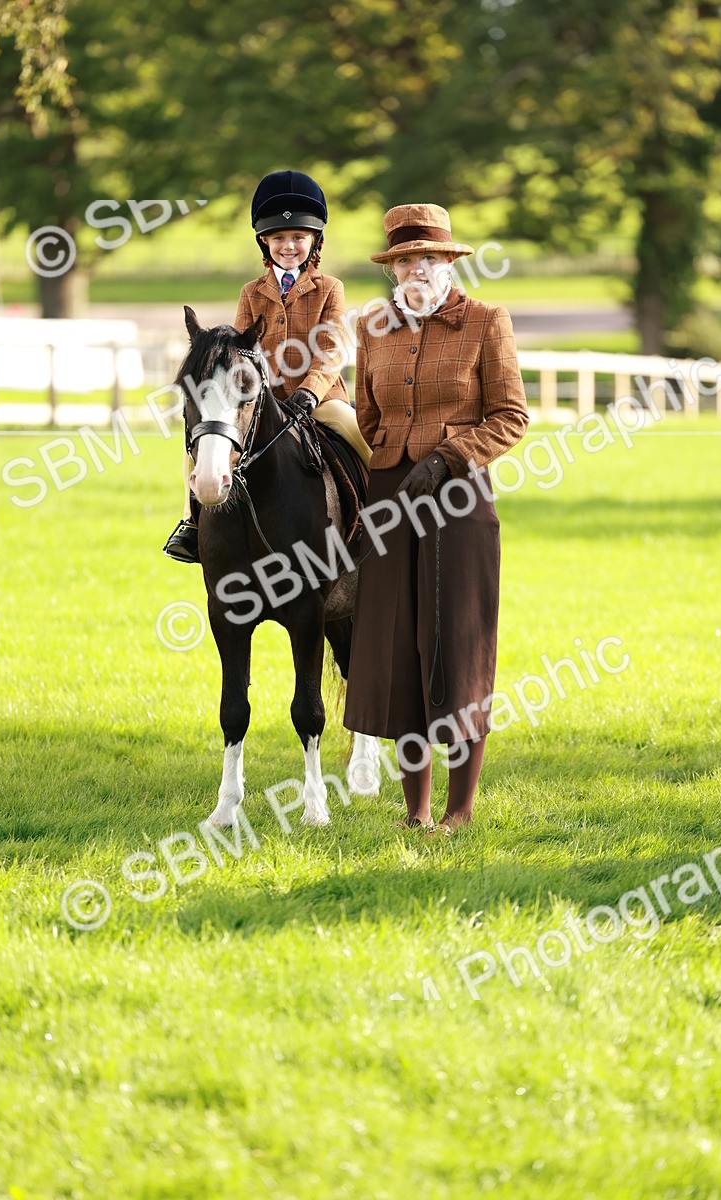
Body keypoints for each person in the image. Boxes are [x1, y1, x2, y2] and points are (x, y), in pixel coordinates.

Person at [343, 203, 529, 832]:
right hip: (391, 494)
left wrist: (450, 455)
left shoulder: (485, 322)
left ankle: (459, 809)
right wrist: (390, 465)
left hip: (458, 498)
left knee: (456, 642)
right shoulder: (374, 327)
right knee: (398, 645)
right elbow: (367, 415)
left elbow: (511, 416)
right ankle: (415, 811)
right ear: (393, 270)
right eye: (404, 263)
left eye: (428, 261)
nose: (416, 272)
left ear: (448, 264)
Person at [163, 169, 371, 563]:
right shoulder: (251, 292)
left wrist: (309, 394)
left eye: (297, 237)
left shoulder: (330, 289)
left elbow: (331, 348)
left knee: (358, 434)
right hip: (261, 403)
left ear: (314, 241)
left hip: (322, 399)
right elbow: (238, 353)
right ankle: (192, 523)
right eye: (279, 238)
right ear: (265, 241)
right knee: (202, 443)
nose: (288, 246)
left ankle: (386, 519)